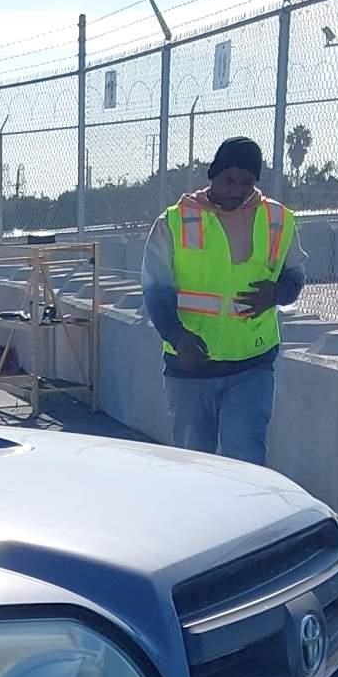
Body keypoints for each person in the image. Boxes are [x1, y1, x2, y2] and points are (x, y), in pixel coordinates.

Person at [140, 137, 306, 465]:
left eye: (247, 182)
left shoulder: (278, 220)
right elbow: (156, 289)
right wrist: (177, 337)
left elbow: (295, 275)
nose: (238, 189)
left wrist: (277, 293)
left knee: (245, 460)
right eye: (230, 180)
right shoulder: (174, 222)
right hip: (190, 367)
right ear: (213, 175)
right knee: (194, 464)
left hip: (252, 363)